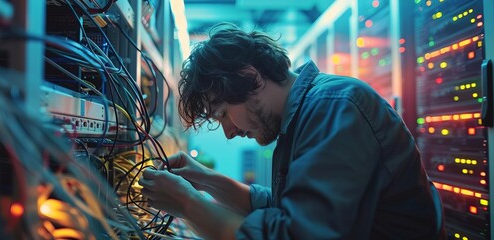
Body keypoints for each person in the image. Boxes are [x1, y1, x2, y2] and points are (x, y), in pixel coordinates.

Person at [138, 22, 446, 239]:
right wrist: (204, 180)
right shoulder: (303, 116)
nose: (229, 132)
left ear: (250, 77)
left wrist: (188, 205)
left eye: (223, 115)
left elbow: (296, 234)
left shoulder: (334, 107)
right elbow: (286, 209)